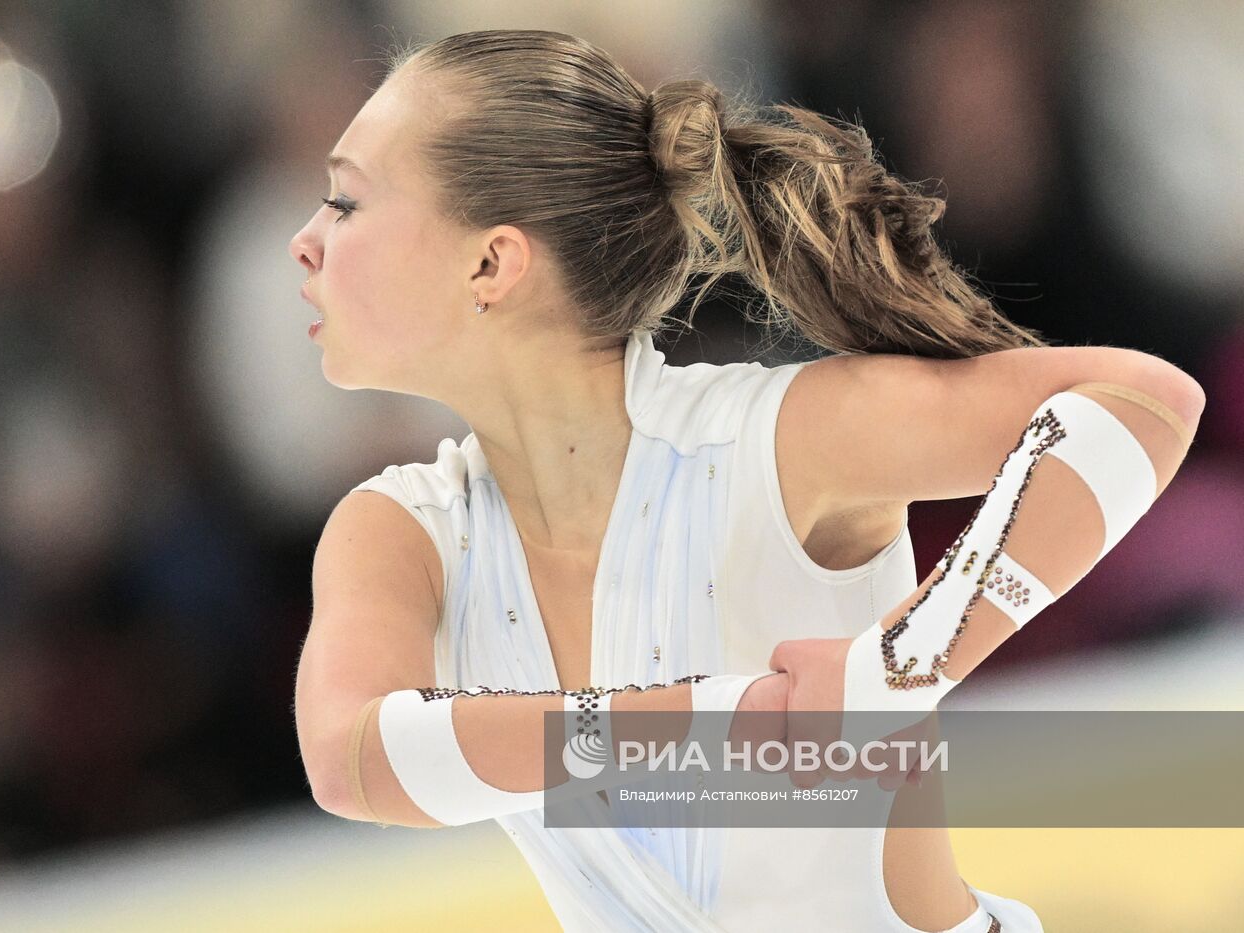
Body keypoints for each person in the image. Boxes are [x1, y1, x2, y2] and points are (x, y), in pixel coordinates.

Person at [289, 29, 1203, 932]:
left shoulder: (771, 441)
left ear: (491, 262)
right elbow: (355, 759)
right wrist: (730, 725)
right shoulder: (403, 529)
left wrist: (897, 668)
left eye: (344, 202)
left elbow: (1141, 401)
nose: (305, 241)